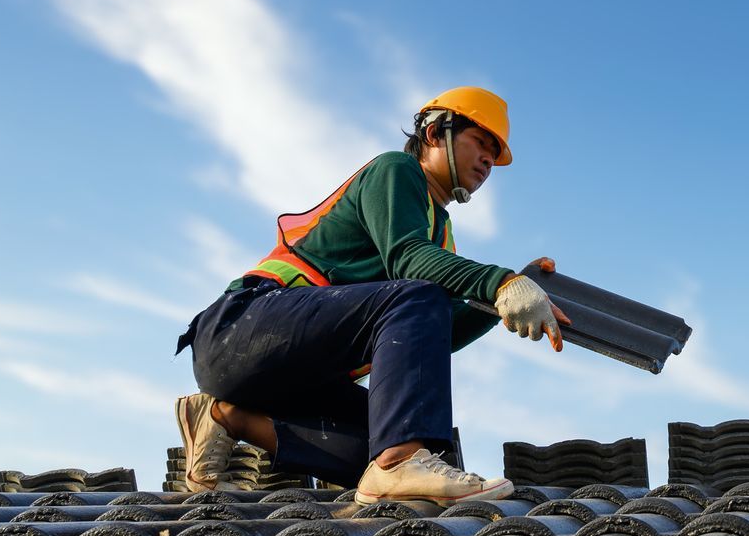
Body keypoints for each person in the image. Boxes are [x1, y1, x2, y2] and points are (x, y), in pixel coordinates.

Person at [172, 87, 569, 505]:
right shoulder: (397, 171)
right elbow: (408, 263)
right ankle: (398, 463)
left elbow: (433, 335)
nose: (489, 160)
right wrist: (501, 282)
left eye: (495, 153)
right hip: (239, 330)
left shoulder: (440, 234)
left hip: (292, 378)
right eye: (481, 143)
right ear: (435, 134)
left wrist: (496, 307)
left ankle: (225, 416)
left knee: (420, 442)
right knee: (417, 304)